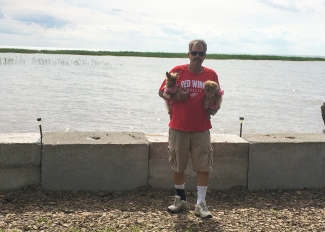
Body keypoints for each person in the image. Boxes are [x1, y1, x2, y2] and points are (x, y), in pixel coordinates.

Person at [158, 39, 223, 218]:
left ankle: (200, 204)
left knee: (203, 166)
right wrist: (178, 96)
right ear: (188, 54)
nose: (196, 56)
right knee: (178, 165)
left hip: (201, 128)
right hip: (178, 126)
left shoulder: (211, 74)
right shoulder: (177, 71)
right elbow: (161, 91)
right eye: (193, 53)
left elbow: (217, 97)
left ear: (204, 56)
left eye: (200, 53)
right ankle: (180, 199)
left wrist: (214, 104)